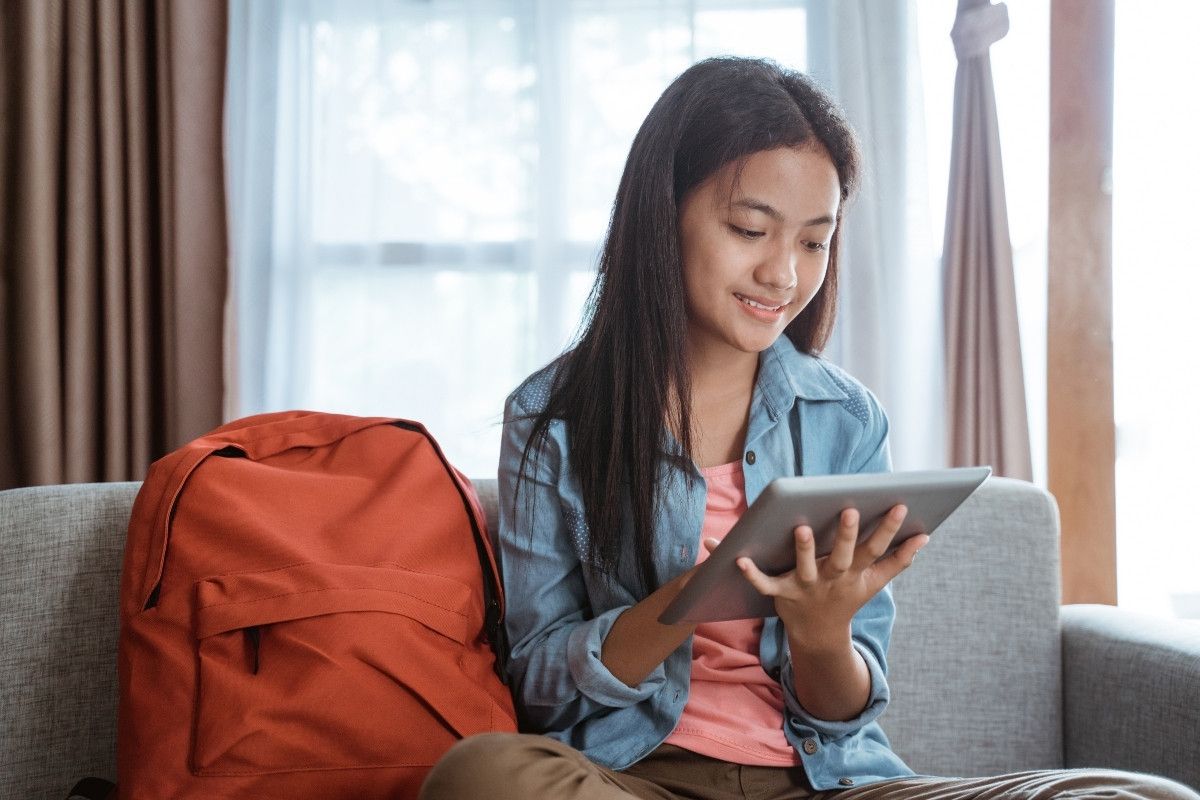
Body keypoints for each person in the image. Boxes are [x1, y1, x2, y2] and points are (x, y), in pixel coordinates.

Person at [419, 57, 1198, 800]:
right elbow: (541, 689)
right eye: (751, 229)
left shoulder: (846, 421)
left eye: (813, 241)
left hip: (829, 784)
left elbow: (844, 713)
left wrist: (821, 632)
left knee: (1141, 793)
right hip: (636, 779)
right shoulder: (551, 420)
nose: (784, 274)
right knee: (481, 776)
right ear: (664, 215)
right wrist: (685, 599)